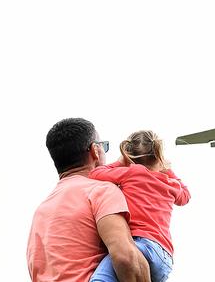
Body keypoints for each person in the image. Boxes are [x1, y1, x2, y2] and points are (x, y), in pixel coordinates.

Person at [27, 118, 151, 281]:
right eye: (104, 147)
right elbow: (126, 258)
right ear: (95, 150)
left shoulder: (41, 212)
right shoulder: (100, 191)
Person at [89, 130, 191, 282]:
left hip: (138, 247)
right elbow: (185, 196)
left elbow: (95, 174)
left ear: (129, 155)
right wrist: (167, 169)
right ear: (159, 156)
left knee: (100, 280)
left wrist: (123, 162)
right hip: (163, 256)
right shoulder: (170, 183)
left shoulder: (132, 172)